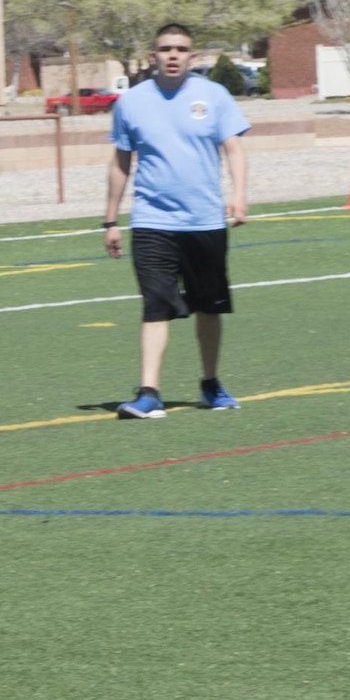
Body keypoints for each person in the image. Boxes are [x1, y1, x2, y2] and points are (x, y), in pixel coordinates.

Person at [102, 23, 250, 418]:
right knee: (155, 306)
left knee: (209, 307)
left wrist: (238, 196)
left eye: (180, 49)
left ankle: (210, 384)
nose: (172, 55)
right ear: (153, 55)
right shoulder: (131, 103)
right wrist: (111, 220)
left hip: (205, 223)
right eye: (165, 49)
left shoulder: (214, 96)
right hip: (152, 222)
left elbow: (234, 149)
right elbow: (120, 163)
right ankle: (149, 393)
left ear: (192, 56)